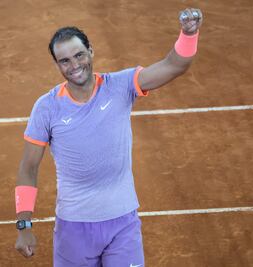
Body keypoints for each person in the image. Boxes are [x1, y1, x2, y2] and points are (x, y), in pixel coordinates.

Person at [15, 8, 203, 266]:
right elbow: (28, 167)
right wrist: (24, 225)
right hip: (74, 228)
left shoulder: (121, 85)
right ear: (57, 65)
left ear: (91, 51)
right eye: (65, 61)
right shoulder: (46, 107)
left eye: (79, 55)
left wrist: (189, 33)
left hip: (122, 224)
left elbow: (174, 65)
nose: (74, 65)